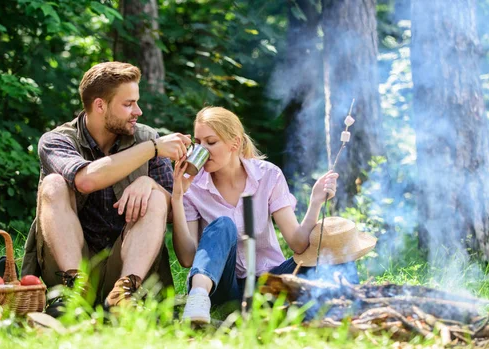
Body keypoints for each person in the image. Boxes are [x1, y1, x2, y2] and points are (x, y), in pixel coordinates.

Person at [21, 62, 192, 315]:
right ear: (100, 105)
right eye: (128, 104)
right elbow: (85, 180)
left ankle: (122, 297)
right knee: (53, 184)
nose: (139, 111)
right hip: (68, 263)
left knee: (157, 197)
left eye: (136, 102)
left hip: (126, 263)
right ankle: (73, 295)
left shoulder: (145, 137)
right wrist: (153, 148)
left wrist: (150, 184)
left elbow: (169, 212)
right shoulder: (56, 140)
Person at [171, 106, 360, 324]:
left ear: (235, 143)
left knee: (330, 254)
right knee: (223, 225)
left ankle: (346, 304)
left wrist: (315, 201)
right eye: (198, 142)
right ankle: (197, 300)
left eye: (211, 142)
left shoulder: (268, 175)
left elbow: (298, 244)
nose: (202, 150)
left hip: (269, 282)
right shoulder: (192, 186)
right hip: (222, 288)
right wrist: (177, 196)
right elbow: (186, 258)